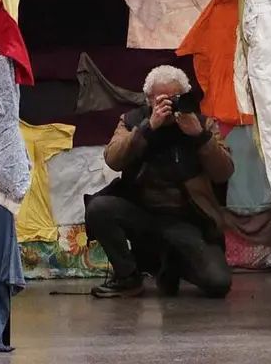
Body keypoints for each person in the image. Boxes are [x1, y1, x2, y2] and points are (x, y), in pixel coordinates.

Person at [84, 65, 235, 299]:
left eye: (176, 98)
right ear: (149, 100)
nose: (169, 105)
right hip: (143, 214)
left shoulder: (201, 123)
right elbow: (113, 159)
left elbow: (224, 172)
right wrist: (147, 128)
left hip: (187, 220)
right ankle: (128, 277)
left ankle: (173, 265)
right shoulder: (133, 120)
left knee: (218, 283)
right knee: (99, 208)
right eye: (162, 100)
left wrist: (200, 137)